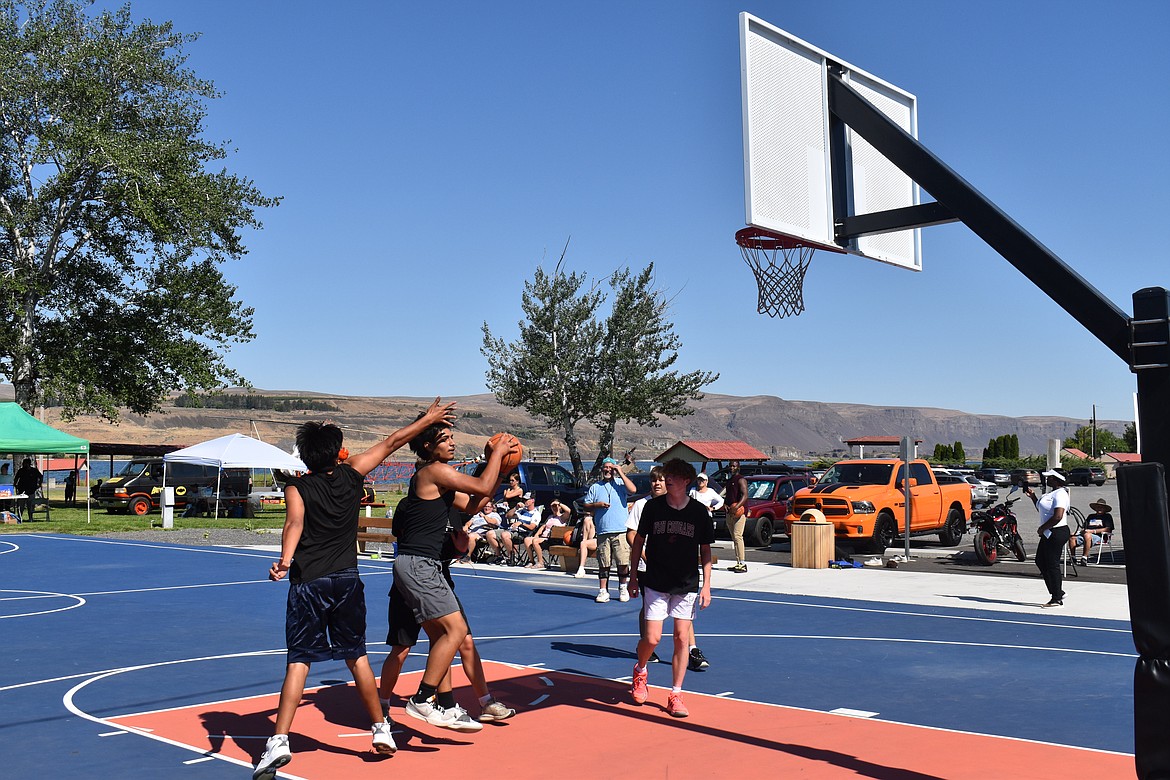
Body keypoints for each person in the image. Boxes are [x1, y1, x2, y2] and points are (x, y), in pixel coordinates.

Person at [252, 398, 456, 780]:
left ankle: (279, 740)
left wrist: (283, 560)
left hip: (309, 581)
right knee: (356, 656)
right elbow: (394, 441)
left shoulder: (298, 487)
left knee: (299, 660)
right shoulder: (352, 474)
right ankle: (381, 729)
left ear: (306, 456)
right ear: (337, 451)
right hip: (347, 580)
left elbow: (294, 525)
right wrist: (428, 419)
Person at [390, 417, 517, 732]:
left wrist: (499, 470)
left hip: (424, 565)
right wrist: (497, 455)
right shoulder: (433, 471)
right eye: (445, 438)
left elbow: (475, 503)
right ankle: (422, 698)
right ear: (429, 447)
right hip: (419, 564)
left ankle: (446, 705)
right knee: (456, 631)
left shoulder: (441, 483)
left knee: (441, 636)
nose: (452, 442)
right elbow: (482, 486)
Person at [378, 526, 515, 725]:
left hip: (439, 585)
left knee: (463, 641)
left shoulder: (451, 510)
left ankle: (483, 703)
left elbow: (457, 548)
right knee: (401, 649)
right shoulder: (415, 509)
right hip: (409, 585)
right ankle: (382, 705)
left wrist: (460, 549)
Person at [627, 458, 714, 718]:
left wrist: (707, 586)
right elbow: (638, 542)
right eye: (665, 477)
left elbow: (706, 551)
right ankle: (641, 670)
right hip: (655, 580)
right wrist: (632, 577)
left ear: (685, 480)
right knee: (652, 638)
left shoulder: (699, 512)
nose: (666, 480)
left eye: (671, 476)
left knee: (681, 638)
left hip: (685, 584)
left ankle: (675, 693)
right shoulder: (653, 508)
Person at [583, 456, 637, 603]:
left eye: (610, 468)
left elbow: (633, 490)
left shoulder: (620, 484)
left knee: (623, 562)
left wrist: (620, 471)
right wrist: (597, 505)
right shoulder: (595, 487)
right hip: (603, 531)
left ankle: (622, 588)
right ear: (602, 470)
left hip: (620, 531)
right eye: (605, 468)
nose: (608, 470)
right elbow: (585, 505)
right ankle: (602, 591)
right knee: (603, 563)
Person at [1025, 469, 1071, 608]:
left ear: (1056, 479)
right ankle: (1058, 591)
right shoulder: (1051, 493)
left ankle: (1056, 599)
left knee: (1052, 564)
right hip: (1048, 532)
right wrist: (1033, 497)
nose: (1047, 479)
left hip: (1057, 531)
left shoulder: (1061, 494)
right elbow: (1043, 510)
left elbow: (1058, 516)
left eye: (1050, 477)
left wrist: (1042, 528)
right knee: (1040, 561)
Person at [525, 497, 569, 568]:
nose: (554, 507)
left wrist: (558, 503)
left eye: (556, 506)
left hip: (553, 539)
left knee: (535, 541)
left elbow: (568, 511)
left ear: (560, 507)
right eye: (552, 506)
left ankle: (540, 562)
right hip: (543, 538)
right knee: (527, 539)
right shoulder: (550, 517)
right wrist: (536, 535)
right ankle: (531, 561)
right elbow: (543, 527)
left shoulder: (562, 517)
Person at [722, 460, 750, 573]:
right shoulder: (729, 481)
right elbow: (728, 496)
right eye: (730, 466)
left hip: (739, 512)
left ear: (738, 467)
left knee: (738, 536)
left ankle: (743, 563)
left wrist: (737, 506)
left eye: (734, 466)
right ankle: (738, 562)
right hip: (730, 512)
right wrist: (725, 505)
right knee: (734, 538)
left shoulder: (741, 479)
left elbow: (745, 495)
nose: (731, 468)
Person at [1069, 497, 1114, 565]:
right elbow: (1084, 527)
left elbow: (1108, 529)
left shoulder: (1107, 516)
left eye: (1101, 507)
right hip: (1086, 534)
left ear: (1104, 509)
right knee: (1072, 537)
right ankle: (1073, 557)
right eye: (1098, 507)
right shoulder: (1091, 516)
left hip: (1100, 536)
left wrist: (1093, 531)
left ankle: (1084, 557)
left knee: (1087, 535)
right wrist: (1080, 532)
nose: (1099, 508)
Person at [504, 492, 541, 563]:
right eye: (523, 500)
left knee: (504, 535)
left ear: (532, 500)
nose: (524, 502)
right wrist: (515, 508)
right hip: (512, 530)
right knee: (490, 534)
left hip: (523, 533)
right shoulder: (521, 511)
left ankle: (511, 557)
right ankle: (499, 556)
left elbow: (532, 527)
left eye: (526, 500)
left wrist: (521, 523)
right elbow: (507, 516)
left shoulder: (536, 514)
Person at [568, 511, 597, 578]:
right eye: (586, 514)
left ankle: (581, 568)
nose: (587, 515)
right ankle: (581, 568)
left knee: (584, 543)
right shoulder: (585, 520)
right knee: (583, 543)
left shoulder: (599, 518)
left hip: (601, 539)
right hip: (591, 540)